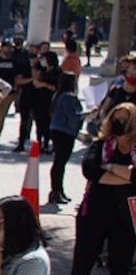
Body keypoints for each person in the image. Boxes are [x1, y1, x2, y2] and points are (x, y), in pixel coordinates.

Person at [64, 104, 135, 275]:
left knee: (120, 268)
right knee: (82, 263)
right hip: (93, 215)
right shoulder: (100, 146)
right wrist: (126, 176)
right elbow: (91, 171)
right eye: (116, 119)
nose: (119, 124)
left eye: (125, 120)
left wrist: (112, 168)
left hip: (125, 221)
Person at [49, 72, 84, 204]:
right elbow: (74, 116)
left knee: (59, 162)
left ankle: (58, 190)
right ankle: (56, 191)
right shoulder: (69, 97)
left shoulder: (58, 95)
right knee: (60, 163)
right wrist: (88, 114)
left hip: (57, 129)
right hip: (65, 131)